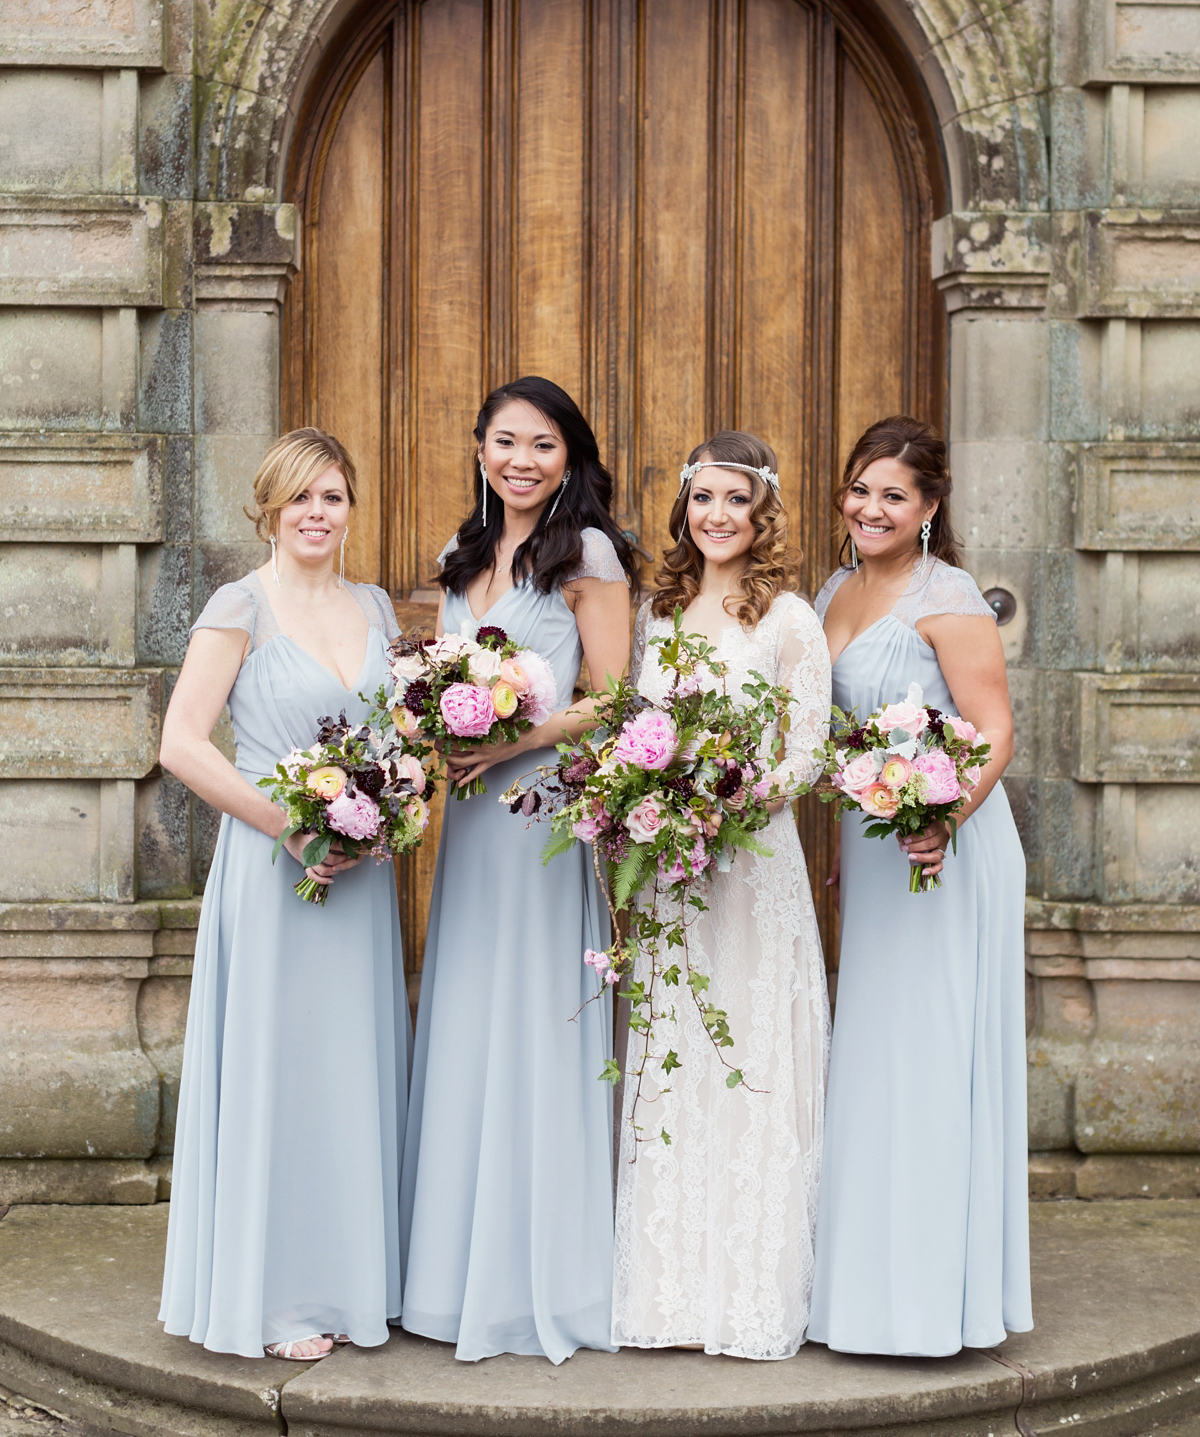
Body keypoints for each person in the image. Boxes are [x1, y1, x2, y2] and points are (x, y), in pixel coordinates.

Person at [399, 376, 637, 1364]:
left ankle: (540, 1277)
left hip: (539, 818)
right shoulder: (465, 555)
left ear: (570, 457)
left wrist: (510, 740)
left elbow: (617, 700)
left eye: (544, 444)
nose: (523, 461)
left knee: (535, 1023)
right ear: (479, 449)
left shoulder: (586, 554)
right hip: (474, 834)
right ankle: (454, 1274)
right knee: (471, 1018)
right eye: (506, 442)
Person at [158, 428, 410, 1360]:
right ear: (269, 507)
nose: (317, 513)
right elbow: (181, 743)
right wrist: (289, 826)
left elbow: (397, 738)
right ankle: (275, 1300)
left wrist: (393, 803)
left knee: (348, 1073)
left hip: (360, 879)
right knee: (280, 1073)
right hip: (275, 876)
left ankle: (351, 1285)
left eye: (334, 496)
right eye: (300, 496)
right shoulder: (240, 605)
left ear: (351, 508)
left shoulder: (376, 605)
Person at [807, 414, 1032, 1357]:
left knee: (932, 1062)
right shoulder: (831, 590)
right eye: (861, 489)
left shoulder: (949, 601)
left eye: (893, 495)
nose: (870, 507)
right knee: (876, 1062)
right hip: (873, 843)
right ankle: (866, 1291)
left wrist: (944, 817)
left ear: (931, 507)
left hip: (946, 848)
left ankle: (937, 1303)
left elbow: (992, 732)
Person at [611, 432, 831, 1361]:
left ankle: (749, 1293)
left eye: (735, 501)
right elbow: (635, 729)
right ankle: (666, 1294)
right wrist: (655, 802)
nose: (716, 517)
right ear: (685, 509)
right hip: (673, 873)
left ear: (761, 512)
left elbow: (807, 748)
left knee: (752, 1052)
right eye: (703, 499)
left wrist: (727, 803)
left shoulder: (788, 619)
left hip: (752, 865)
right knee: (677, 1051)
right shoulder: (657, 616)